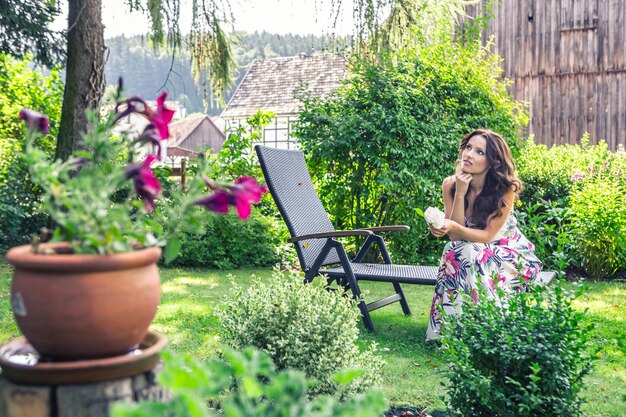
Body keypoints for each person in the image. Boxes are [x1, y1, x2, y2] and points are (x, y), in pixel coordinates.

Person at [425, 129, 543, 341]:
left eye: (479, 152)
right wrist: (460, 194)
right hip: (473, 251)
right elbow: (455, 237)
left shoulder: (505, 188)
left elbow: (487, 236)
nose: (469, 154)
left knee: (470, 250)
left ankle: (486, 331)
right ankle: (456, 334)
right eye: (468, 147)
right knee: (454, 249)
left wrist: (451, 226)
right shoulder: (450, 185)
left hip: (511, 256)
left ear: (491, 162)